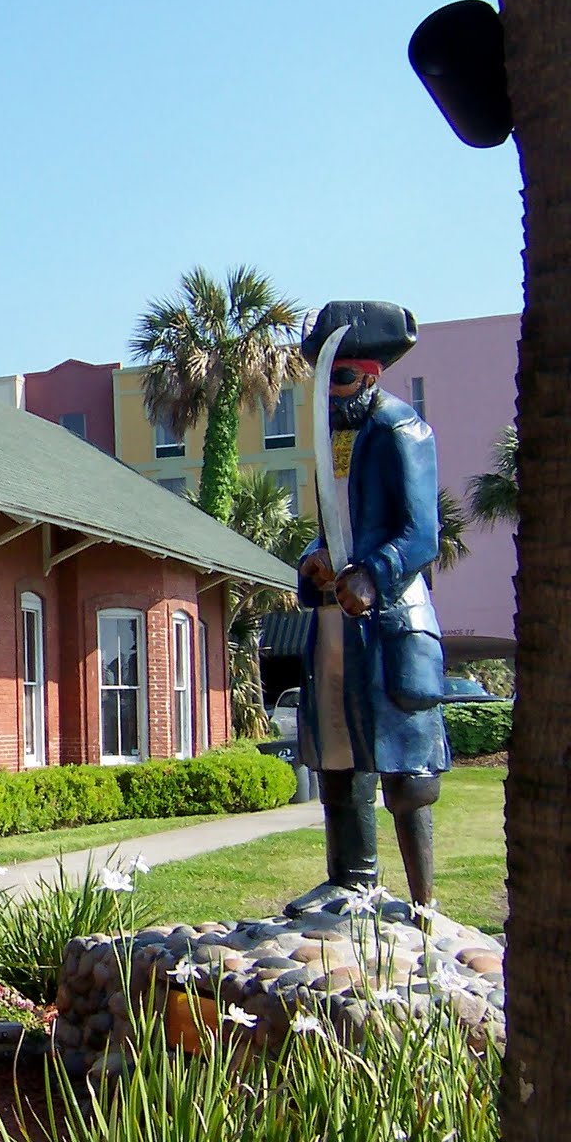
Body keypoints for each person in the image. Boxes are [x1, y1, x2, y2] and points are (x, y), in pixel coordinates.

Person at [286, 301, 448, 918]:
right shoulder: (336, 440)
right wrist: (314, 560)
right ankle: (351, 880)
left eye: (342, 378)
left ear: (371, 376)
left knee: (406, 767)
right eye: (324, 380)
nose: (332, 392)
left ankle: (424, 902)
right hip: (334, 620)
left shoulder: (403, 430)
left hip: (388, 619)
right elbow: (333, 522)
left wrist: (373, 575)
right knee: (336, 752)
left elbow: (419, 532)